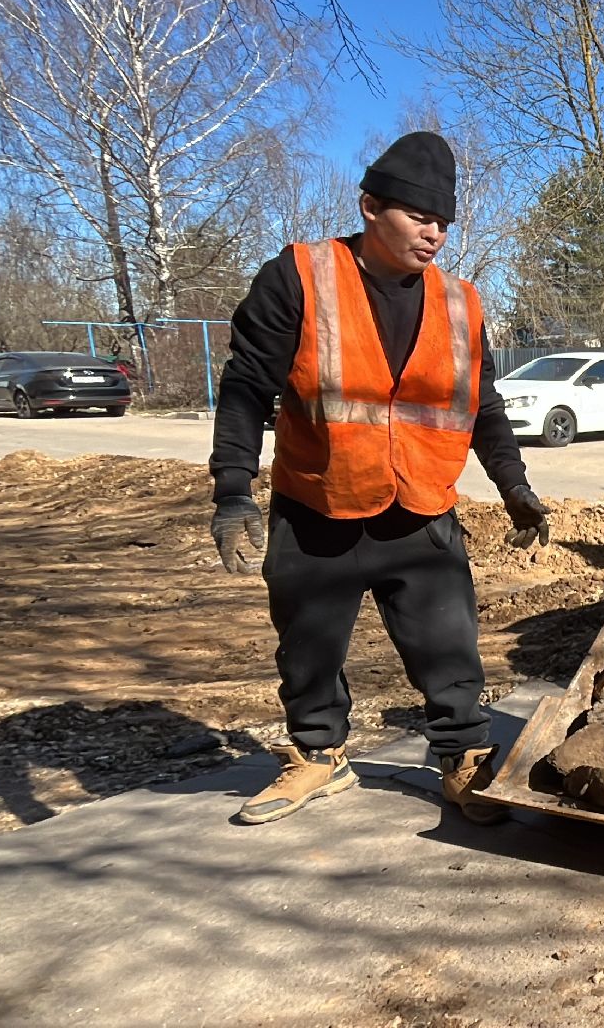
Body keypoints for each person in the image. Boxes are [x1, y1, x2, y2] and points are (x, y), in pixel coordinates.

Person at [207, 131, 551, 826]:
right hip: (318, 506)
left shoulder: (461, 302)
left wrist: (514, 486)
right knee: (308, 644)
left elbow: (483, 407)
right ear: (370, 206)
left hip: (421, 509)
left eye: (444, 222)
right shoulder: (300, 276)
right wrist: (234, 490)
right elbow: (245, 386)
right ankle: (318, 758)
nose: (435, 234)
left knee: (450, 646)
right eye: (420, 216)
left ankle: (462, 761)